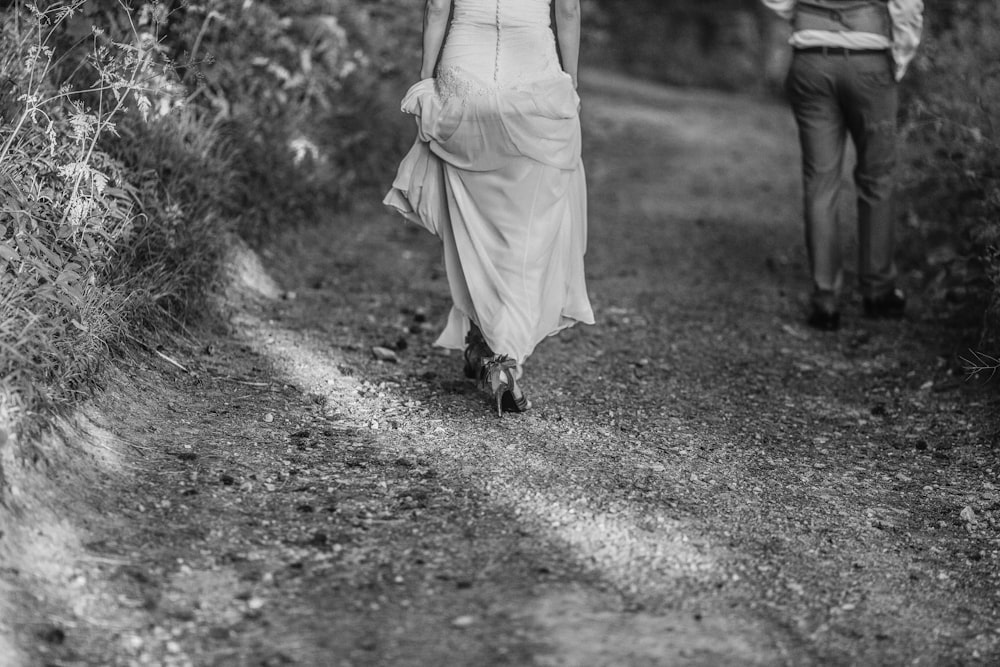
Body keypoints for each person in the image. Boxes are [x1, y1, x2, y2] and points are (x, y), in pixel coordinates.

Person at [383, 0, 595, 415]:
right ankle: (503, 355)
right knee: (525, 222)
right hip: (533, 79)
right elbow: (567, 9)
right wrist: (569, 83)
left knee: (476, 219)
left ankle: (485, 342)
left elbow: (437, 5)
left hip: (465, 78)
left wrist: (426, 79)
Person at [761, 0, 924, 331]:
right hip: (869, 59)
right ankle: (877, 292)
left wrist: (805, 18)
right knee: (877, 178)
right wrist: (901, 56)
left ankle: (825, 298)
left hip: (811, 60)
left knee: (820, 181)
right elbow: (905, 3)